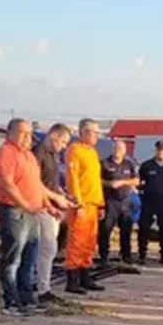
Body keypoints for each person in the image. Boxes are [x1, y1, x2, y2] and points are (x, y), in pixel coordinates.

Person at [0, 118, 66, 316]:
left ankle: (27, 298)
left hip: (33, 212)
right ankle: (11, 301)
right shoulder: (5, 153)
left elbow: (37, 185)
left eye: (29, 133)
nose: (27, 138)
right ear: (10, 133)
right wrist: (26, 205)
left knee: (29, 259)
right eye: (22, 133)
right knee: (13, 260)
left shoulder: (28, 155)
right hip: (15, 212)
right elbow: (8, 185)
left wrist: (49, 206)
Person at [64, 119, 105, 295]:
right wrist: (77, 202)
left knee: (89, 241)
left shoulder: (92, 153)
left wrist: (101, 204)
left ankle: (85, 276)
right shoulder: (75, 150)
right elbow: (72, 178)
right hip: (81, 204)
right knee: (76, 242)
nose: (97, 136)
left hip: (93, 203)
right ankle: (72, 280)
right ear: (83, 132)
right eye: (94, 132)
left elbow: (95, 181)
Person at [33, 124, 72, 303]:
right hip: (41, 206)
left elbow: (52, 182)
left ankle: (43, 285)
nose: (64, 146)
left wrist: (63, 195)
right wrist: (53, 200)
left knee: (50, 249)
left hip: (52, 205)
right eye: (63, 142)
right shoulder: (38, 152)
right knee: (46, 248)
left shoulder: (53, 155)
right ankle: (42, 288)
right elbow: (35, 183)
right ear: (54, 135)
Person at [137, 140, 163, 265]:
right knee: (144, 228)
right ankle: (142, 255)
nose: (161, 152)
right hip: (148, 202)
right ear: (155, 151)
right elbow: (139, 182)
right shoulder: (146, 166)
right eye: (159, 150)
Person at [99, 139, 140, 265]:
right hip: (110, 201)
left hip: (126, 200)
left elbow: (136, 181)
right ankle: (104, 256)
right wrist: (109, 184)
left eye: (120, 149)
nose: (117, 150)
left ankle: (126, 255)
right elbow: (97, 180)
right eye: (116, 148)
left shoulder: (129, 164)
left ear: (124, 151)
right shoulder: (104, 163)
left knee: (126, 230)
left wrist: (123, 182)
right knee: (106, 229)